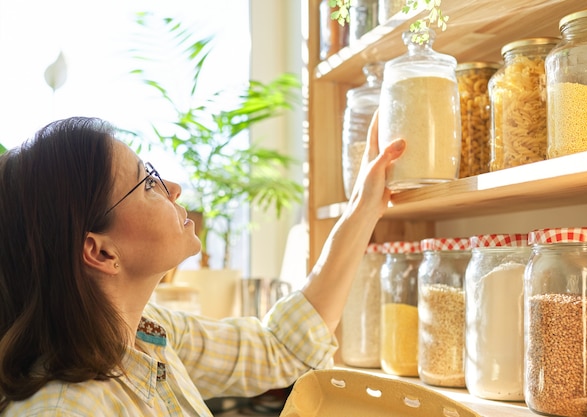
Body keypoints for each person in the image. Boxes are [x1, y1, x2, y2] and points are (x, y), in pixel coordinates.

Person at [0, 115, 405, 416]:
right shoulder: (64, 410)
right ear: (101, 252)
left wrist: (364, 206)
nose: (173, 188)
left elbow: (281, 347)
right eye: (147, 182)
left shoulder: (147, 333)